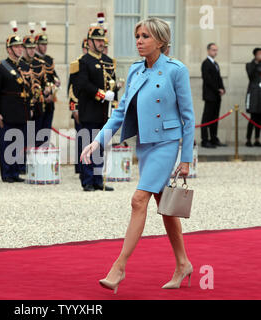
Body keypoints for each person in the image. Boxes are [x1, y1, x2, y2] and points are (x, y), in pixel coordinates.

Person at [81, 18, 195, 292]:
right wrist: (98, 141)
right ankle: (183, 263)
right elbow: (119, 113)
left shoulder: (176, 70)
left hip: (167, 144)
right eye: (137, 36)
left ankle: (119, 267)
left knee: (138, 200)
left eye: (145, 36)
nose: (139, 40)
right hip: (145, 144)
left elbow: (188, 117)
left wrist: (186, 158)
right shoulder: (134, 71)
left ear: (160, 40)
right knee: (164, 205)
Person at [75, 20, 117, 192]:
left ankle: (99, 180)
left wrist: (114, 101)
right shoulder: (84, 61)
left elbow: (113, 83)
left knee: (100, 146)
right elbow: (83, 84)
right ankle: (87, 180)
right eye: (98, 40)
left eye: (102, 41)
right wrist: (101, 94)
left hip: (103, 112)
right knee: (87, 144)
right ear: (90, 42)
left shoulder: (108, 61)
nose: (101, 43)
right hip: (89, 110)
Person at [0, 21, 32, 183]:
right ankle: (7, 173)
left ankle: (15, 171)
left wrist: (30, 108)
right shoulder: (0, 68)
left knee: (19, 142)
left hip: (21, 110)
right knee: (7, 142)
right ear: (9, 49)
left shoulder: (23, 66)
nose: (20, 49)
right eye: (17, 47)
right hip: (6, 110)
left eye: (21, 46)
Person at [22, 23, 48, 149]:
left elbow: (44, 83)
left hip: (38, 106)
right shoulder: (20, 65)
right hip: (25, 107)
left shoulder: (40, 64)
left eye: (33, 48)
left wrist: (47, 89)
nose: (32, 50)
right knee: (24, 139)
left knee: (37, 138)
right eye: (29, 48)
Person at [34, 21, 60, 146]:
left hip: (50, 101)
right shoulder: (33, 60)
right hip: (39, 101)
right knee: (36, 133)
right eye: (42, 44)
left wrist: (53, 90)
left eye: (45, 44)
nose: (44, 47)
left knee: (46, 132)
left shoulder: (49, 60)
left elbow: (55, 78)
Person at [200, 43, 226, 148]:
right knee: (207, 118)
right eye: (213, 50)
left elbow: (219, 78)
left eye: (216, 50)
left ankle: (214, 138)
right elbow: (208, 80)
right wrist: (217, 89)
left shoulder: (215, 64)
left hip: (217, 96)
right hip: (210, 95)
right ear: (208, 50)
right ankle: (205, 140)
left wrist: (223, 88)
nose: (215, 52)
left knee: (215, 118)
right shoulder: (205, 63)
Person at [68, 38, 88, 175]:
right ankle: (80, 167)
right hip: (80, 107)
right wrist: (74, 108)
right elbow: (71, 89)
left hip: (92, 108)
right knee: (81, 138)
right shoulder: (77, 64)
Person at [245, 47, 261, 147]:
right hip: (253, 94)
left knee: (259, 118)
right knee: (253, 118)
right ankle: (248, 139)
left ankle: (257, 139)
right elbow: (250, 75)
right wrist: (256, 63)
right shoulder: (250, 65)